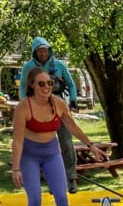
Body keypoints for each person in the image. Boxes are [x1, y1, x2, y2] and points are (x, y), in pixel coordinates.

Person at [11, 65, 98, 206]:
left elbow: (73, 126)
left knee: (62, 196)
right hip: (29, 156)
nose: (46, 87)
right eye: (41, 83)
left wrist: (90, 145)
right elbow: (17, 140)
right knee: (35, 199)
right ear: (32, 85)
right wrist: (16, 168)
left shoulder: (58, 104)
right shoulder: (24, 107)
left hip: (52, 153)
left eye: (50, 83)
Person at [19, 37, 81, 193]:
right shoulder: (29, 67)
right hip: (38, 111)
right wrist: (23, 104)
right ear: (35, 52)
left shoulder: (59, 65)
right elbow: (23, 86)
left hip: (58, 109)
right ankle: (52, 182)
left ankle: (71, 179)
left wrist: (73, 100)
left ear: (49, 50)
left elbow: (71, 83)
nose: (43, 53)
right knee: (39, 146)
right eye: (40, 51)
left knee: (66, 143)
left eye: (45, 50)